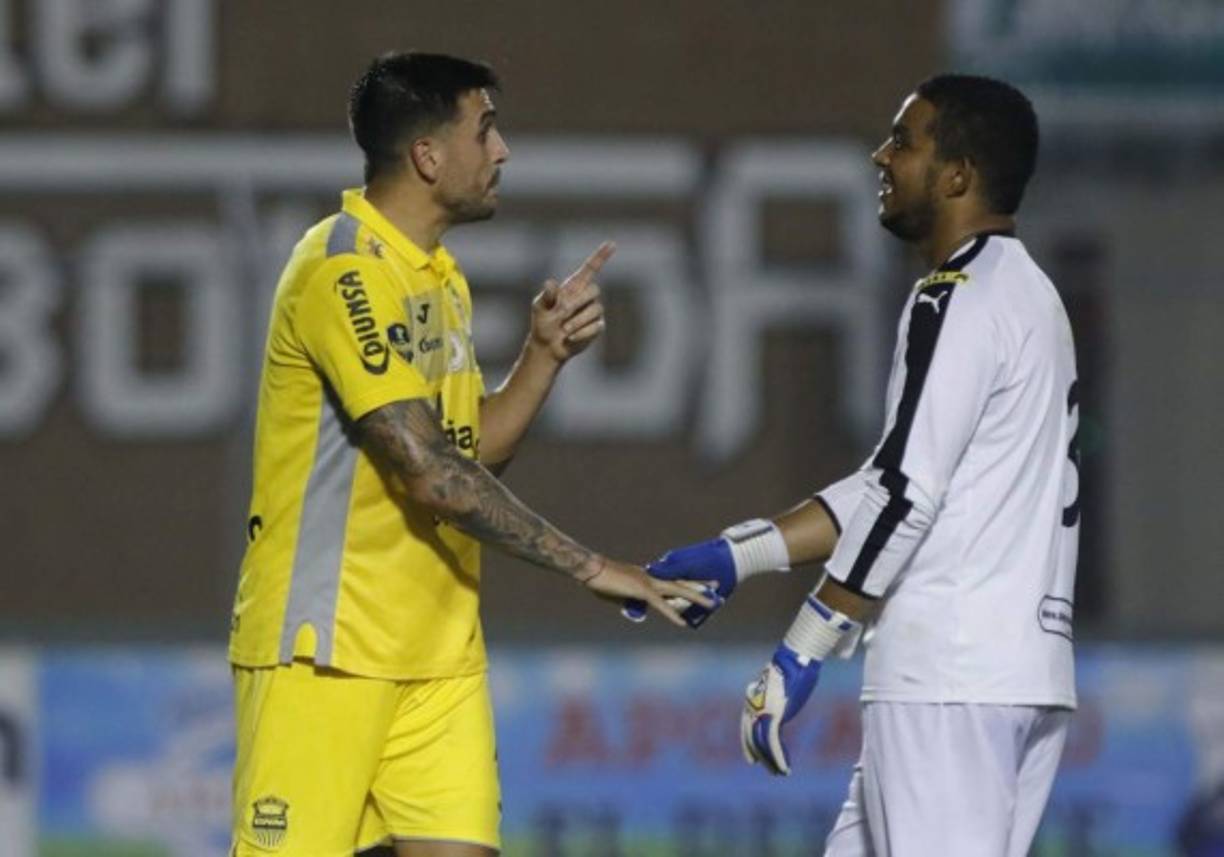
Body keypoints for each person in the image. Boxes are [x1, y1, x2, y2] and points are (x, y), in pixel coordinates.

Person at [227, 51, 703, 857]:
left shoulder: (438, 278)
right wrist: (591, 566)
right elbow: (430, 476)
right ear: (427, 155)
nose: (503, 150)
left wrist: (543, 356)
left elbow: (464, 450)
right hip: (329, 655)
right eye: (484, 129)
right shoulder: (343, 271)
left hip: (439, 654)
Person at [640, 74, 1079, 856]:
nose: (882, 156)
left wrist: (805, 644)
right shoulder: (1028, 294)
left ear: (957, 175)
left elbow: (905, 493)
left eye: (903, 141)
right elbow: (895, 477)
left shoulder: (955, 297)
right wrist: (742, 555)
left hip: (951, 678)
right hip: (1012, 670)